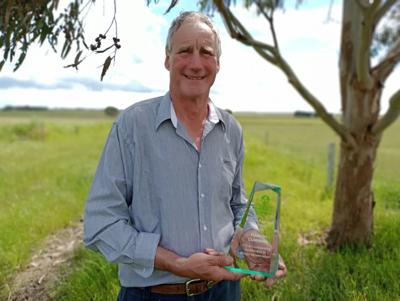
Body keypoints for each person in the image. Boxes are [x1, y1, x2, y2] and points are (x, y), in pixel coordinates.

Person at [83, 11, 286, 301]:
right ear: (167, 59)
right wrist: (176, 263)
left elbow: (237, 204)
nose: (195, 63)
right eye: (184, 51)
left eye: (206, 52)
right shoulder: (132, 126)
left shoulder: (231, 130)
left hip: (224, 291)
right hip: (152, 294)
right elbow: (101, 222)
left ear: (217, 63)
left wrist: (252, 240)